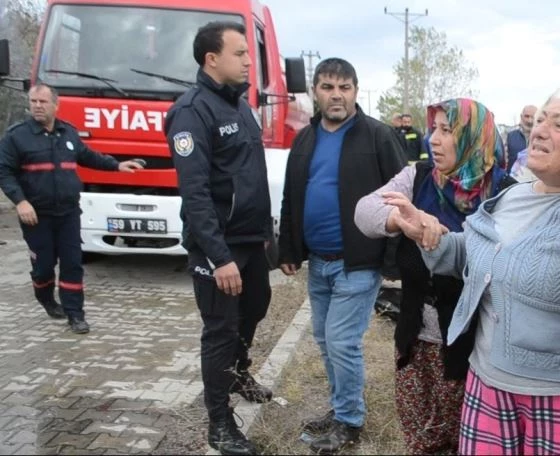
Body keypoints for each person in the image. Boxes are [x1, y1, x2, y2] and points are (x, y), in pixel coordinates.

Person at [387, 87, 560, 455]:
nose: (541, 129)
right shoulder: (511, 197)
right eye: (541, 119)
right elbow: (473, 256)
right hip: (488, 385)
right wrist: (431, 236)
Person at [355, 98, 516, 454]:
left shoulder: (508, 193)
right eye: (434, 129)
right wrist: (399, 222)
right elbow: (364, 211)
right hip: (416, 335)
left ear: (476, 137)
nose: (434, 140)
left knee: (469, 440)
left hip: (476, 347)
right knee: (420, 434)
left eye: (448, 131)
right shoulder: (419, 176)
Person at [278, 57, 405, 454]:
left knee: (341, 341)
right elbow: (291, 195)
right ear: (315, 91)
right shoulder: (306, 137)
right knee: (324, 339)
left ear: (355, 91)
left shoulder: (378, 136)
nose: (337, 95)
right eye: (328, 87)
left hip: (358, 262)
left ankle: (350, 421)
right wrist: (289, 248)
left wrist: (391, 260)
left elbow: (401, 197)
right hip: (318, 261)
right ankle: (340, 408)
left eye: (344, 87)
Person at [164, 21, 274, 456]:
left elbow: (253, 180)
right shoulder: (192, 111)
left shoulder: (241, 107)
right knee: (220, 332)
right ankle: (220, 422)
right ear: (212, 59)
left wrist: (268, 237)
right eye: (241, 53)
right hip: (218, 250)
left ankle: (240, 373)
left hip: (250, 242)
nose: (250, 61)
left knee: (255, 310)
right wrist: (218, 256)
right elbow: (195, 194)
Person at [0, 83, 142, 334]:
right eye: (33, 102)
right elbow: (4, 171)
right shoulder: (16, 136)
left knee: (72, 263)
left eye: (43, 102)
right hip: (36, 216)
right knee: (43, 266)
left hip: (67, 213)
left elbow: (89, 156)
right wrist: (20, 202)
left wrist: (116, 166)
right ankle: (44, 296)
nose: (37, 106)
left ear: (56, 105)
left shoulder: (68, 134)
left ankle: (75, 314)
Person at [505, 104, 537, 172]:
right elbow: (503, 163)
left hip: (537, 181)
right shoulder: (509, 136)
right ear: (521, 117)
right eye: (527, 116)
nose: (530, 121)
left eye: (533, 117)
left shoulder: (544, 138)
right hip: (513, 181)